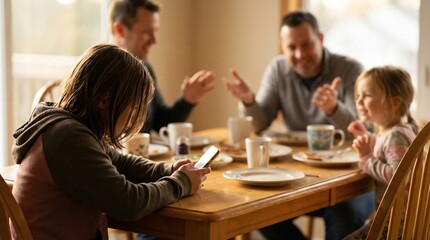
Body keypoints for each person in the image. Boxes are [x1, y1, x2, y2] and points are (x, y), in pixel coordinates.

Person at [11, 43, 211, 240]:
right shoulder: (69, 138)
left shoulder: (69, 127)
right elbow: (128, 203)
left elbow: (121, 162)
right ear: (104, 101)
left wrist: (168, 171)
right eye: (132, 108)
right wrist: (180, 183)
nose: (134, 118)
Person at [223, 11, 375, 240]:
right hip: (301, 174)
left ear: (321, 40)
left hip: (352, 177)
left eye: (307, 45)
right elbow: (261, 121)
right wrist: (249, 101)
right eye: (291, 47)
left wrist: (335, 109)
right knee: (256, 207)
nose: (300, 54)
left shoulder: (349, 69)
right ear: (282, 47)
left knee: (345, 213)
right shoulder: (278, 69)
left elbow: (367, 128)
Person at [109, 0, 215, 133]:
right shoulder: (101, 74)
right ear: (120, 30)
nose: (154, 40)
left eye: (155, 31)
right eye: (146, 32)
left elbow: (161, 122)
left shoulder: (144, 68)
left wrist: (187, 100)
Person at [344, 66, 418, 239]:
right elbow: (387, 150)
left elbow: (397, 176)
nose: (359, 101)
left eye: (367, 95)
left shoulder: (396, 136)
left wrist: (366, 158)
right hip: (400, 223)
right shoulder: (397, 131)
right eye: (358, 95)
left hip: (397, 228)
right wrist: (366, 137)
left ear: (394, 102)